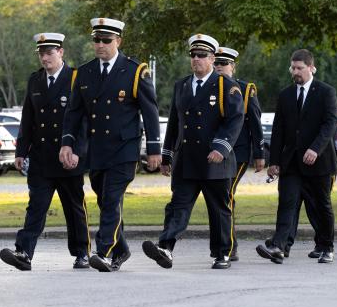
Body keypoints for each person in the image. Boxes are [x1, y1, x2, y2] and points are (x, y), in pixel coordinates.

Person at [59, 18, 161, 272]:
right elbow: (73, 113)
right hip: (98, 150)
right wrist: (67, 144)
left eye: (106, 40)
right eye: (97, 40)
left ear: (118, 41)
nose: (101, 45)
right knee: (105, 202)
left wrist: (154, 149)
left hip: (124, 149)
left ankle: (103, 251)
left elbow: (150, 112)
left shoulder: (135, 71)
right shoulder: (85, 72)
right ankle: (122, 249)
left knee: (112, 198)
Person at [142, 35, 245, 270]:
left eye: (201, 56)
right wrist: (167, 156)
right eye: (193, 55)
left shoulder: (226, 86)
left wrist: (221, 147)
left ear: (212, 58)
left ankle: (222, 254)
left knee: (219, 210)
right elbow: (175, 124)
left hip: (215, 160)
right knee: (178, 206)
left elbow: (234, 120)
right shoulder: (183, 85)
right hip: (187, 159)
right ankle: (165, 247)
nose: (196, 60)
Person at [0, 33, 91, 271]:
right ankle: (24, 252)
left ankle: (82, 253)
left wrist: (78, 151)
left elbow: (83, 121)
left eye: (49, 52)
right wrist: (21, 151)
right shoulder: (35, 81)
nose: (45, 57)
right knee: (36, 206)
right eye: (41, 53)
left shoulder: (75, 79)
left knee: (74, 208)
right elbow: (28, 119)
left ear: (61, 52)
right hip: (41, 157)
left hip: (68, 157)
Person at [256, 49, 337, 264]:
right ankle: (279, 246)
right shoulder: (285, 95)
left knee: (321, 206)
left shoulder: (326, 92)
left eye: (300, 68)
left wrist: (315, 148)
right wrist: (274, 161)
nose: (295, 72)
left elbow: (330, 124)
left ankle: (326, 246)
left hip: (319, 162)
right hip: (292, 162)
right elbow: (279, 130)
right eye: (292, 68)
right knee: (287, 203)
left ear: (312, 68)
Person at [212, 46, 265, 261]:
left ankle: (229, 246)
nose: (219, 68)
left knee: (227, 193)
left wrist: (260, 153)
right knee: (220, 196)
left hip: (239, 152)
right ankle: (223, 242)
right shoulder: (208, 87)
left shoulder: (244, 89)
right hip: (214, 152)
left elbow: (255, 122)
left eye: (223, 64)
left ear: (233, 66)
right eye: (216, 63)